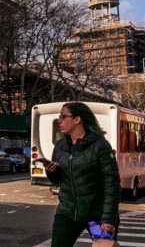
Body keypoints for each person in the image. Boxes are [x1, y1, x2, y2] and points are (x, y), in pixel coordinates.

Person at [40, 102, 120, 247]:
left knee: (103, 246)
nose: (59, 120)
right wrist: (52, 171)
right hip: (68, 214)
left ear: (77, 120)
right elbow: (57, 180)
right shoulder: (60, 146)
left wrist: (108, 218)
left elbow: (111, 184)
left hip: (95, 217)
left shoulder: (100, 146)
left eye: (63, 117)